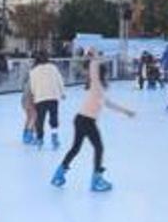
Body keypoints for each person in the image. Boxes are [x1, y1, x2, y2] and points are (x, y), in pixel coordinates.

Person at [51, 51, 135, 192]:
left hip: (81, 120)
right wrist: (95, 56)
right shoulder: (96, 85)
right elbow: (93, 67)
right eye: (106, 74)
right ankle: (96, 180)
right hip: (86, 121)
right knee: (98, 148)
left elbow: (109, 104)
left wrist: (126, 112)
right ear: (102, 75)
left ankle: (58, 175)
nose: (108, 76)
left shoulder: (99, 90)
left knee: (76, 148)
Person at [28, 52, 66, 149]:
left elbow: (32, 86)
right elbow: (60, 80)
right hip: (53, 96)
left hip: (40, 98)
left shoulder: (33, 71)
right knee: (54, 116)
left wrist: (34, 95)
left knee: (40, 119)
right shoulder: (53, 68)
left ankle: (40, 138)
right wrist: (62, 92)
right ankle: (54, 137)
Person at [20, 73, 37, 144]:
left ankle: (25, 135)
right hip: (30, 99)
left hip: (24, 99)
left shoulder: (29, 79)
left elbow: (22, 85)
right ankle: (29, 135)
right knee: (34, 117)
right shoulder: (36, 79)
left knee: (29, 117)